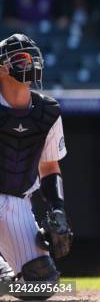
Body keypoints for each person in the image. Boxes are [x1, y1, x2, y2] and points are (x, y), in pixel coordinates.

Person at [0, 34, 73, 297]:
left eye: (32, 57)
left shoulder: (47, 111)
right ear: (2, 67)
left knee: (41, 284)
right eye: (20, 58)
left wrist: (58, 210)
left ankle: (6, 281)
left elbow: (50, 166)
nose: (29, 63)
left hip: (18, 202)